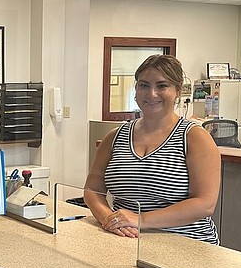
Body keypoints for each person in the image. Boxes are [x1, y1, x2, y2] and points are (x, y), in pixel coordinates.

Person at [84, 54, 221, 244]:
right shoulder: (115, 137)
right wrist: (109, 218)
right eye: (144, 85)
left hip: (186, 245)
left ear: (178, 91)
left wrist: (141, 220)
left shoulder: (195, 138)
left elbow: (204, 204)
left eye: (162, 86)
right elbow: (92, 189)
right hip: (128, 242)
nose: (152, 94)